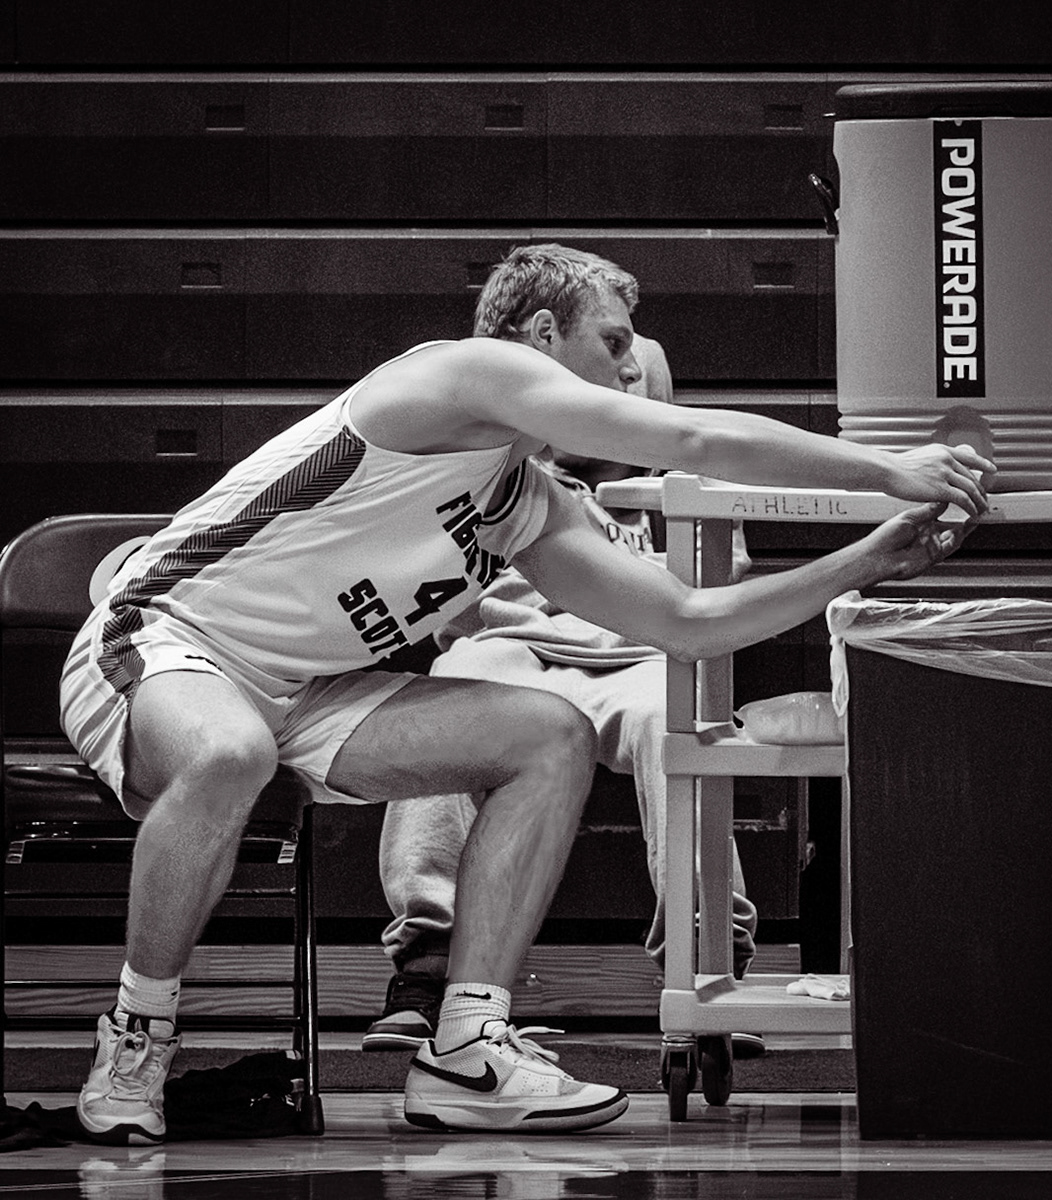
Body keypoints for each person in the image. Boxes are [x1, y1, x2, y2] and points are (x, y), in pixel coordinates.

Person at [59, 242, 992, 1143]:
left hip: (310, 691)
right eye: (615, 342)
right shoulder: (458, 376)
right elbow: (696, 434)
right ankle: (135, 1039)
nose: (631, 371)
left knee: (549, 736)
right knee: (232, 752)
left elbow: (688, 623)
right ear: (541, 334)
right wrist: (885, 470)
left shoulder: (525, 499)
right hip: (168, 641)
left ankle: (465, 1044)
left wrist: (863, 558)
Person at [361, 333, 770, 1057]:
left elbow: (719, 596)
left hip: (645, 659)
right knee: (448, 696)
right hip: (515, 652)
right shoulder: (502, 472)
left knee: (678, 719)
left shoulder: (692, 493)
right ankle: (429, 969)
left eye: (631, 387)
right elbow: (450, 606)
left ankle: (708, 963)